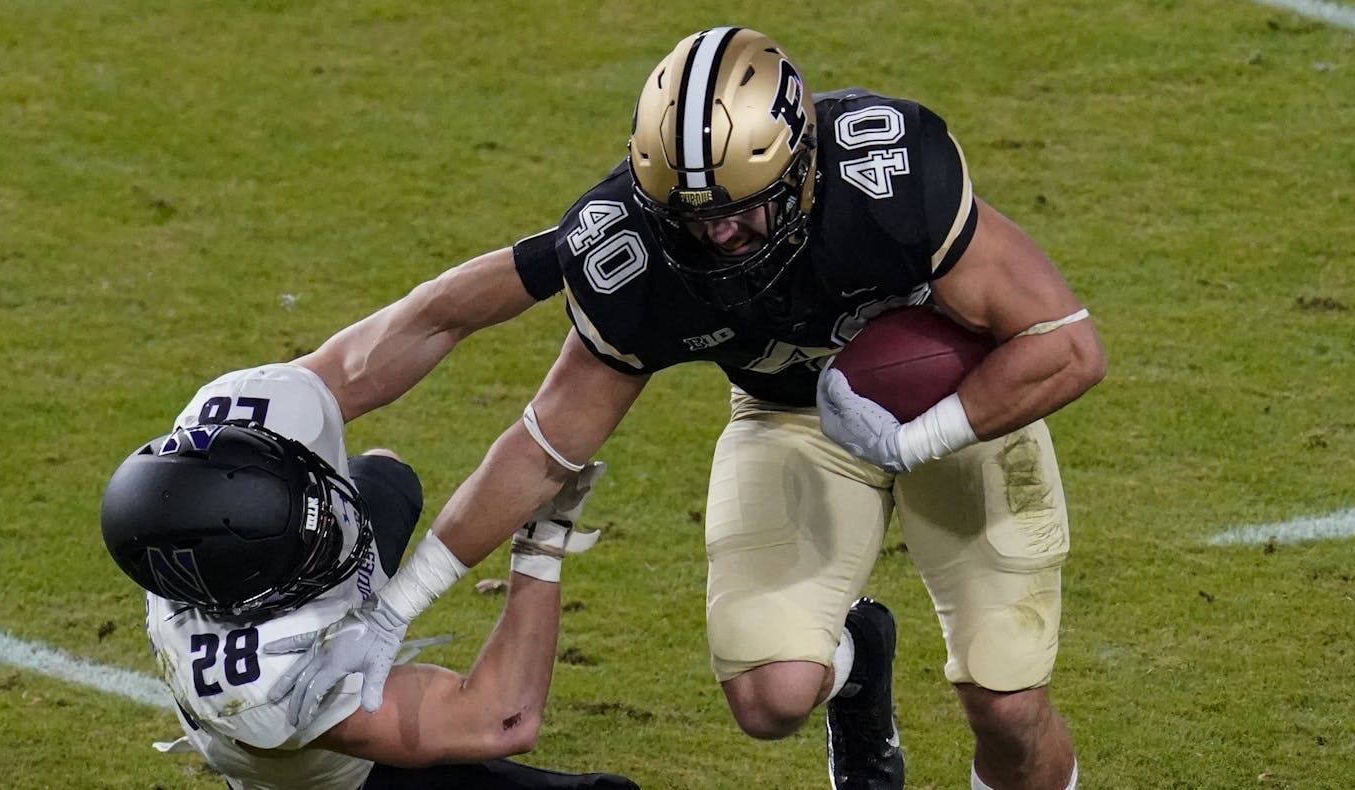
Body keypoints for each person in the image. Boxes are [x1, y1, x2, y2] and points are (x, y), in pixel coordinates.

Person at [272, 26, 1106, 790]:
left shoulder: (886, 177)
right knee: (769, 695)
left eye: (743, 213)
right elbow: (541, 447)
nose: (719, 239)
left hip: (958, 408)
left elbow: (1065, 345)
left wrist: (919, 435)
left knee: (1006, 706)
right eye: (695, 219)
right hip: (787, 414)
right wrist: (393, 611)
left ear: (803, 167)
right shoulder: (634, 251)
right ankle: (858, 669)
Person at [99, 356, 638, 789]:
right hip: (337, 776)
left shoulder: (181, 535)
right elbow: (505, 719)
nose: (337, 524)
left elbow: (421, 321)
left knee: (386, 472)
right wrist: (541, 543)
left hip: (273, 641)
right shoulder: (269, 679)